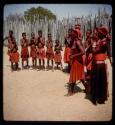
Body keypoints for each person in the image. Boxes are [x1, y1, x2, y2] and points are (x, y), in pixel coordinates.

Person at [91, 25, 112, 105]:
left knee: (97, 81)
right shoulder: (101, 41)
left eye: (99, 33)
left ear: (102, 34)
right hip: (99, 64)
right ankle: (99, 98)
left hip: (99, 65)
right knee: (100, 81)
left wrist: (93, 45)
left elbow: (94, 51)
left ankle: (97, 98)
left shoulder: (103, 43)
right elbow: (109, 53)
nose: (97, 34)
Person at [66, 29, 88, 96]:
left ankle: (71, 91)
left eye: (72, 33)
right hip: (76, 61)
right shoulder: (74, 41)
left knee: (73, 75)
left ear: (75, 34)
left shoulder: (77, 42)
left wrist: (73, 56)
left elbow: (83, 52)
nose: (71, 34)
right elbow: (71, 46)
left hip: (78, 62)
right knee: (81, 77)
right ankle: (87, 88)